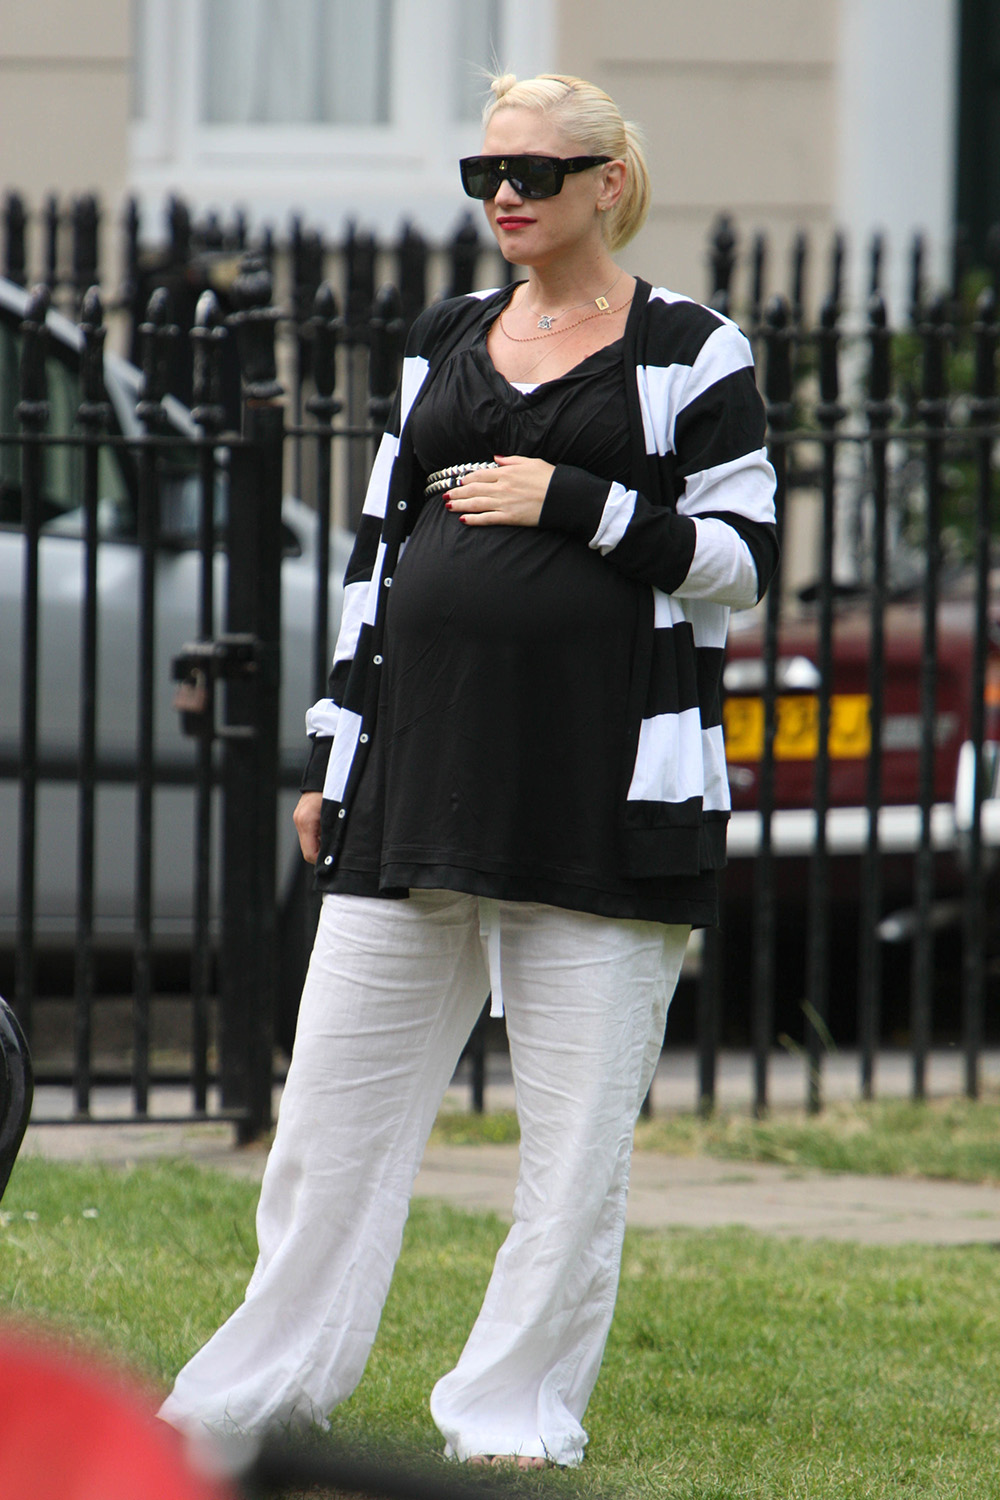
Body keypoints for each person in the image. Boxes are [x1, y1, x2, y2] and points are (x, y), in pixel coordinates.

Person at [159, 72, 778, 1468]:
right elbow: (377, 562)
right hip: (413, 773)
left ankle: (509, 1418)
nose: (505, 194)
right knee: (328, 1120)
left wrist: (577, 502)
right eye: (483, 170)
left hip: (607, 792)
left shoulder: (692, 348)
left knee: (571, 1158)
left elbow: (741, 560)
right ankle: (251, 1400)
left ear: (607, 181)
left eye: (535, 171)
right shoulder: (443, 339)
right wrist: (334, 750)